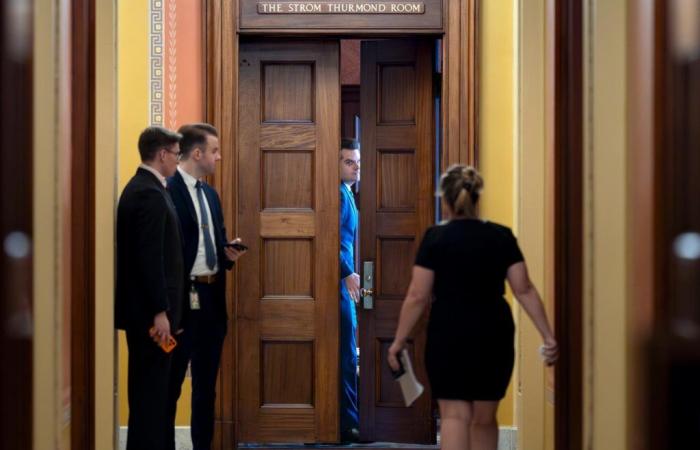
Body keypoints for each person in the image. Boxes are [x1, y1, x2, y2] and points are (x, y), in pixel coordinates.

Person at [387, 165, 558, 450]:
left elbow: (417, 295)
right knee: (484, 418)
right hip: (493, 333)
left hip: (448, 332)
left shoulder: (435, 238)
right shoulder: (501, 236)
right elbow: (523, 288)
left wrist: (398, 341)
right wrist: (548, 336)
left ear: (445, 200)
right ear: (477, 198)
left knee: (454, 416)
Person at [166, 123, 247, 450]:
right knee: (170, 386)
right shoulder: (168, 190)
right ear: (197, 153)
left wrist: (228, 254)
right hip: (182, 301)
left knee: (206, 388)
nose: (219, 156)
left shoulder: (211, 194)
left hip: (212, 301)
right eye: (214, 151)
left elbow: (211, 242)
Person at [115, 126, 185, 450]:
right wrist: (160, 312)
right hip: (151, 318)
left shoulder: (150, 188)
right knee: (150, 398)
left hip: (150, 315)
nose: (177, 160)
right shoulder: (147, 193)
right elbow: (149, 259)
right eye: (176, 154)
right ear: (162, 155)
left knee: (151, 396)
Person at [339, 138, 361, 442]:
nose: (357, 167)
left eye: (358, 162)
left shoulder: (348, 193)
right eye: (349, 162)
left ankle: (351, 419)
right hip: (338, 281)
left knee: (350, 353)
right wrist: (347, 272)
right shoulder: (338, 195)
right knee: (345, 354)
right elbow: (333, 236)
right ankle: (348, 423)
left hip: (347, 281)